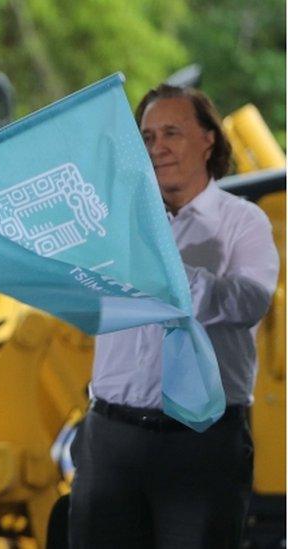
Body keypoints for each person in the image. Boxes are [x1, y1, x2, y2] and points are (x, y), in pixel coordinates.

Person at [68, 85, 279, 548]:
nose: (156, 147)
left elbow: (249, 303)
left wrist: (169, 275)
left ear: (208, 139)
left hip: (200, 444)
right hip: (110, 441)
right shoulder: (114, 226)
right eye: (146, 137)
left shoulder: (244, 222)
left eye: (171, 133)